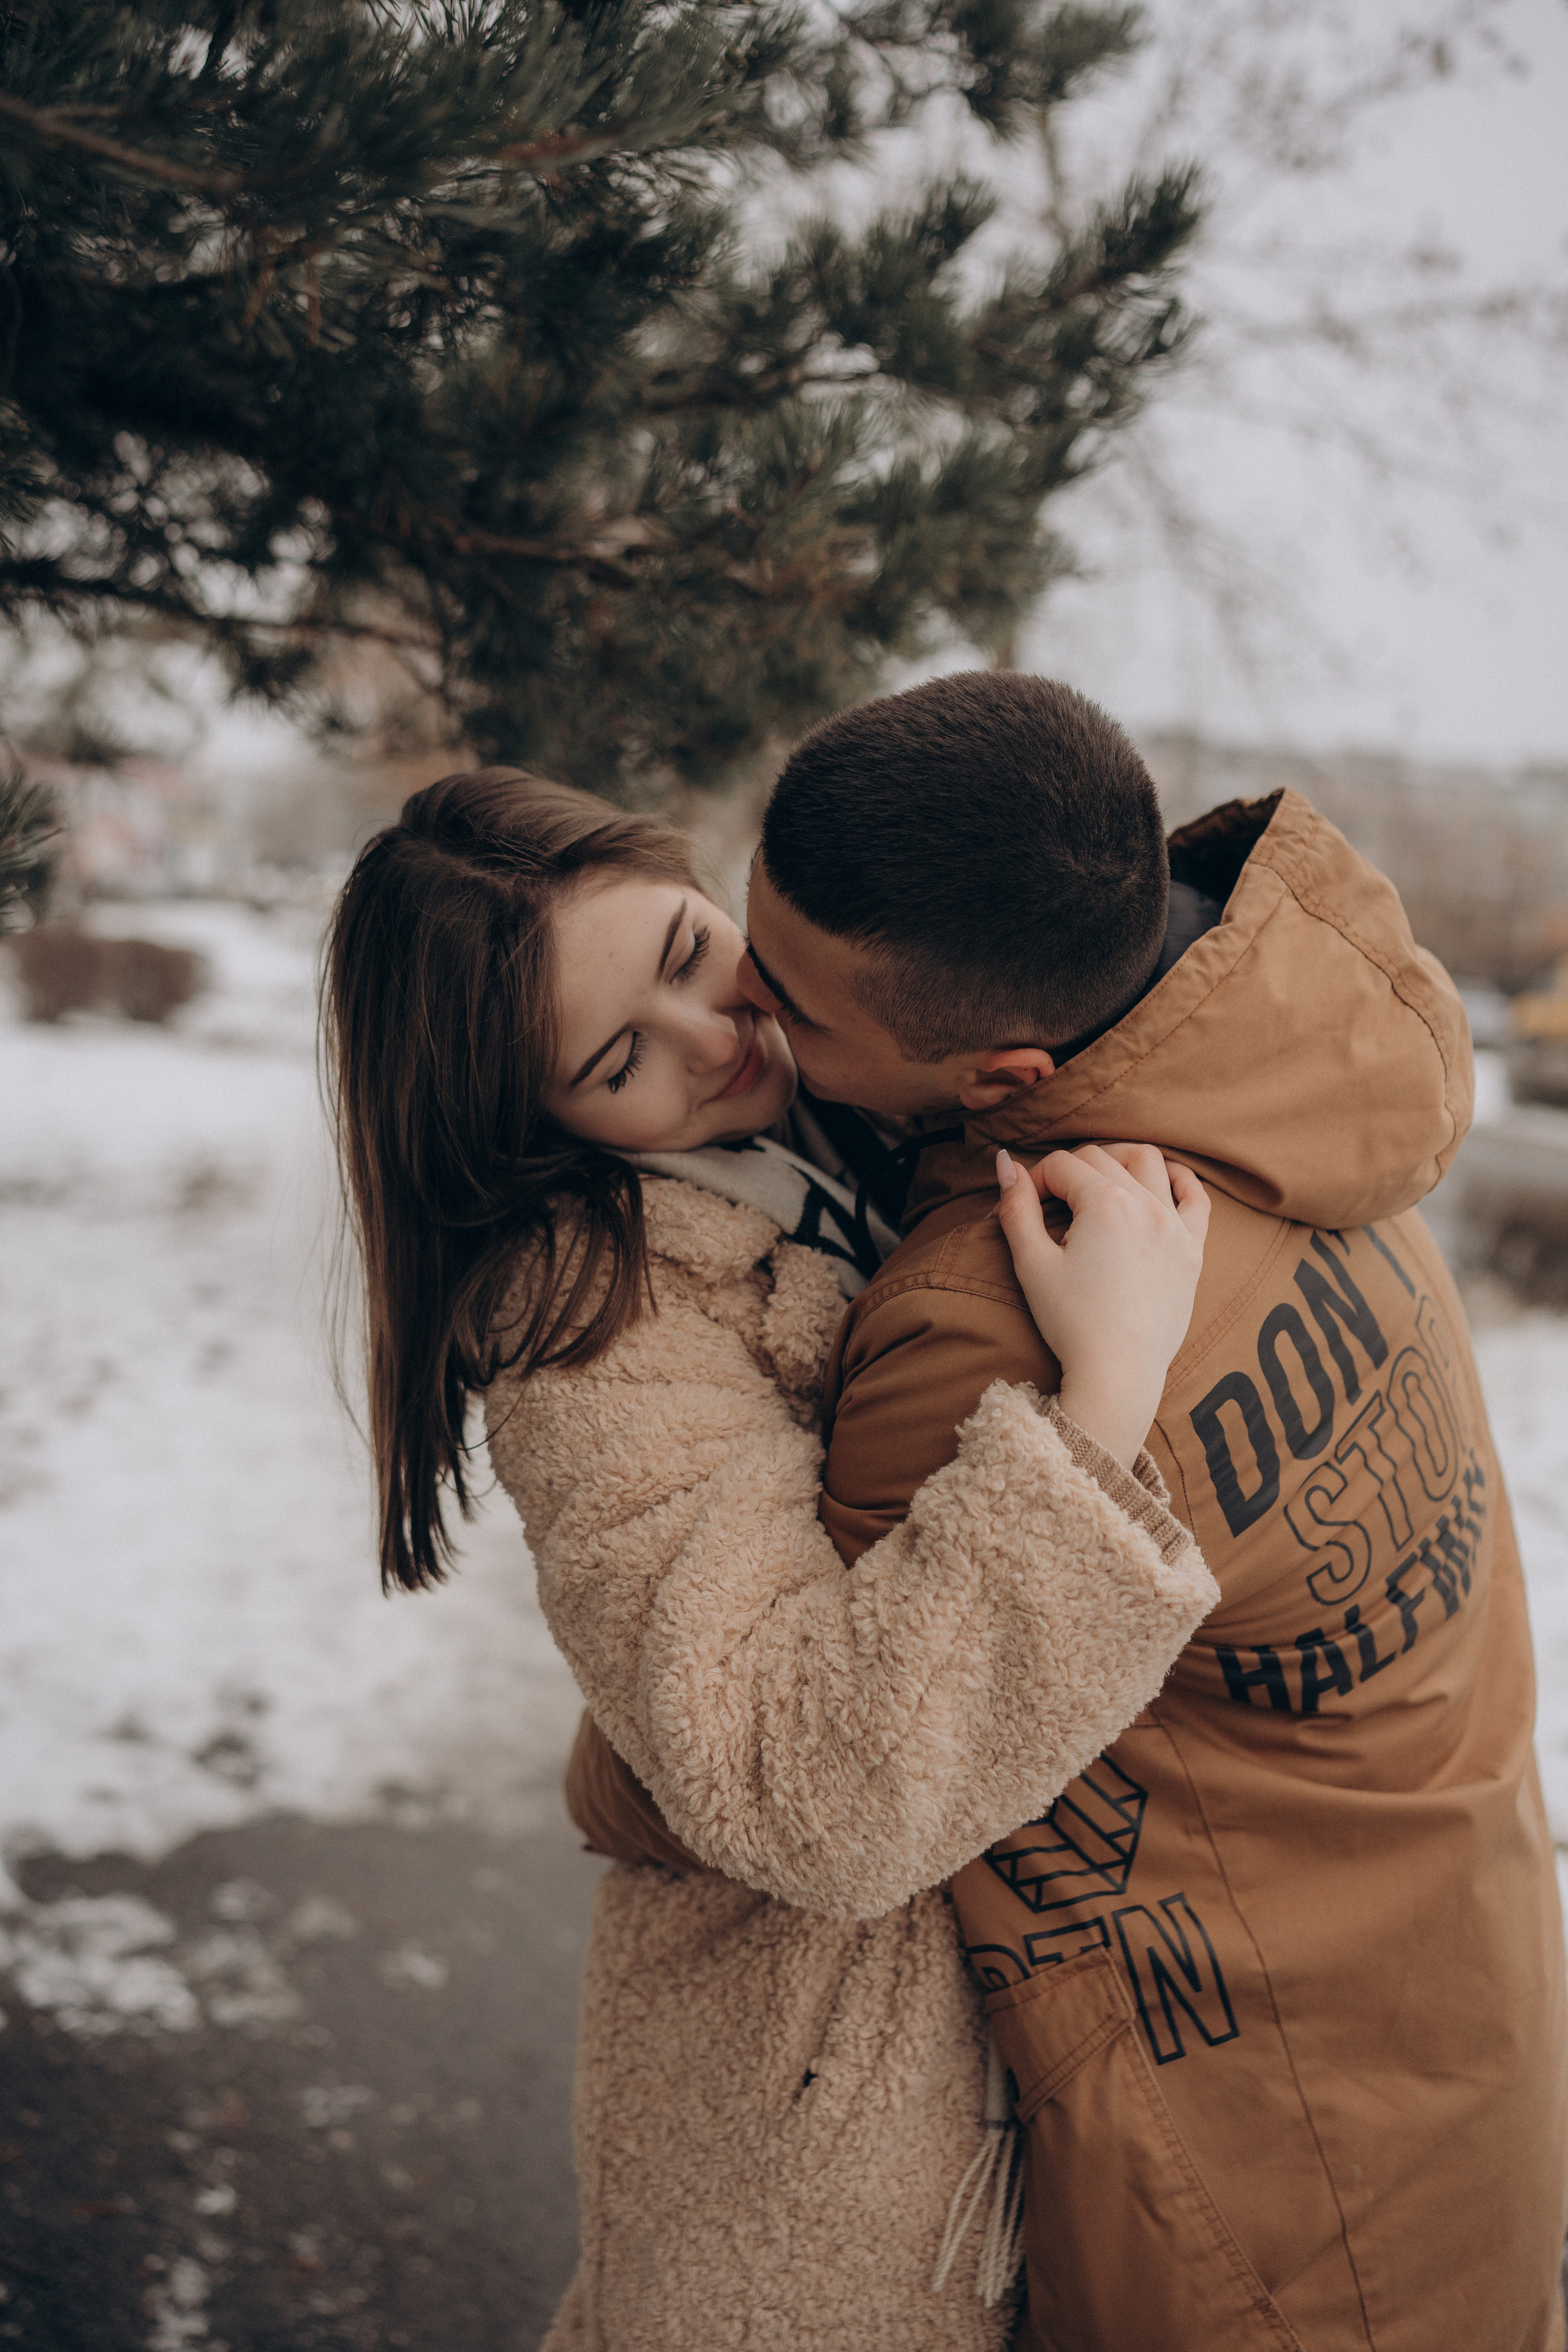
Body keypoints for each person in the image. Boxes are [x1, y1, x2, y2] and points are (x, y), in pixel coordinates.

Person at [322, 767, 1219, 2352]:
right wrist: (1101, 1408)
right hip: (817, 2129)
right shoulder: (591, 1334)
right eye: (620, 1063)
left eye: (688, 950)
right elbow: (804, 1784)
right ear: (537, 1133)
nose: (716, 1040)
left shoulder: (871, 1089)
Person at [726, 670, 1566, 2351]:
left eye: (794, 1013)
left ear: (1007, 1069)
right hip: (1473, 2042)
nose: (750, 1031)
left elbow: (774, 1768)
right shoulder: (1301, 1082)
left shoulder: (996, 1318)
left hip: (1253, 2186)